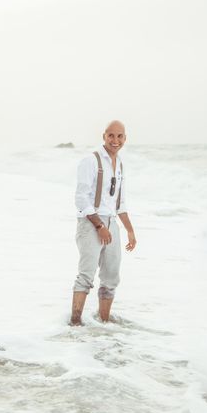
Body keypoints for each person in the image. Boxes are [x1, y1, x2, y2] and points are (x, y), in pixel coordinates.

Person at [70, 120, 137, 326]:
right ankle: (75, 324)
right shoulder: (91, 161)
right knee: (86, 275)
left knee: (111, 277)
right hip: (91, 222)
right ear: (104, 136)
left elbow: (120, 203)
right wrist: (100, 227)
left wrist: (130, 232)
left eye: (120, 136)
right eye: (111, 135)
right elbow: (81, 199)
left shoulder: (120, 165)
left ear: (125, 138)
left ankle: (104, 325)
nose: (115, 140)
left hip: (112, 223)